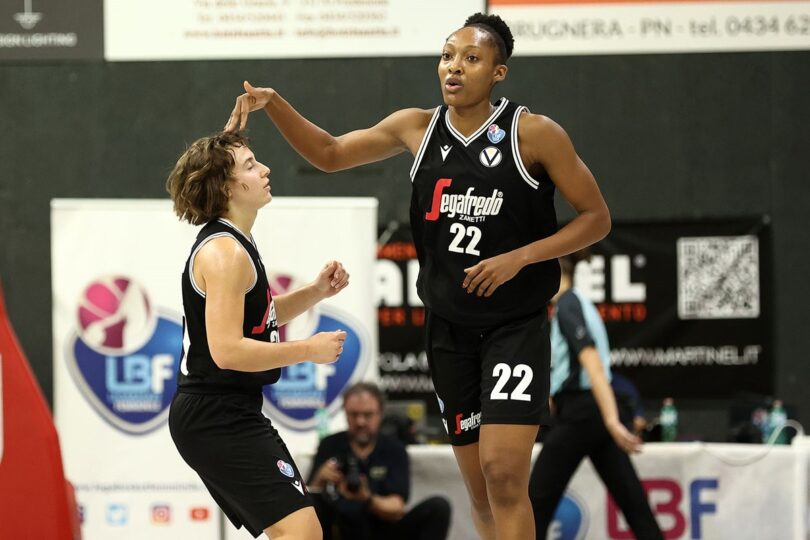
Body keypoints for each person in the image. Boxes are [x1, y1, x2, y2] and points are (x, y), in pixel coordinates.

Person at [224, 13, 611, 539]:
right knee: (480, 491)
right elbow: (330, 154)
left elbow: (596, 218)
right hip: (449, 331)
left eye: (471, 58)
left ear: (498, 72)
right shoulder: (417, 126)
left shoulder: (534, 133)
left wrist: (520, 257)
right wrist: (275, 104)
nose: (454, 67)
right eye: (447, 56)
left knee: (503, 474)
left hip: (514, 327)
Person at [166, 130, 350, 540]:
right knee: (300, 531)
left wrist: (315, 292)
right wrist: (307, 349)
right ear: (226, 187)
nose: (265, 169)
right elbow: (228, 351)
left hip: (229, 409)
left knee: (302, 531)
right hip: (214, 415)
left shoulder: (237, 241)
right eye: (250, 165)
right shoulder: (225, 253)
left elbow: (258, 319)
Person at [529, 251, 663, 540]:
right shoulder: (577, 304)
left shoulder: (568, 305)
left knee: (536, 502)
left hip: (582, 413)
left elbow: (592, 364)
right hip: (593, 413)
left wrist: (612, 421)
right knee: (634, 503)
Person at [307, 382, 451, 540]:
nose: (360, 422)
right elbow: (307, 500)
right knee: (313, 504)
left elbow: (397, 507)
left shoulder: (394, 449)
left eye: (367, 415)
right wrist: (319, 479)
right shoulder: (329, 445)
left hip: (384, 531)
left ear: (380, 414)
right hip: (339, 528)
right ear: (345, 413)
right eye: (353, 414)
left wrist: (367, 498)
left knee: (438, 507)